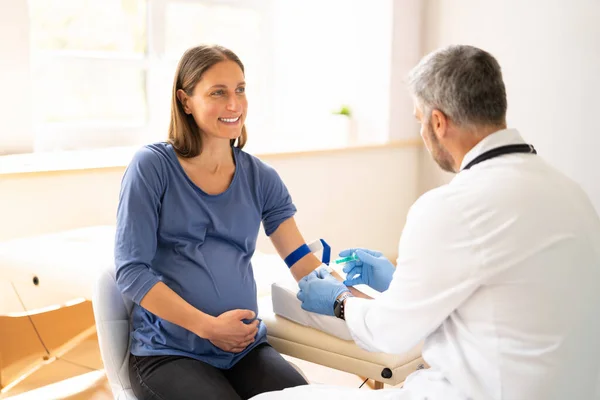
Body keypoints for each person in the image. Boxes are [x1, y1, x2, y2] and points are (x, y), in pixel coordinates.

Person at [251, 45, 600, 400]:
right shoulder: (571, 193)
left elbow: (389, 334)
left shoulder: (451, 207)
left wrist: (338, 300)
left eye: (419, 120)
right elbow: (503, 296)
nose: (421, 132)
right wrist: (398, 284)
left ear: (438, 121)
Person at [114, 44, 333, 400]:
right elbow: (131, 271)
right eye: (218, 93)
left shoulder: (260, 177)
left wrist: (352, 300)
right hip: (168, 353)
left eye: (240, 90)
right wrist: (209, 327)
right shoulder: (152, 167)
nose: (234, 104)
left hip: (242, 349)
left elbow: (301, 262)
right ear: (185, 101)